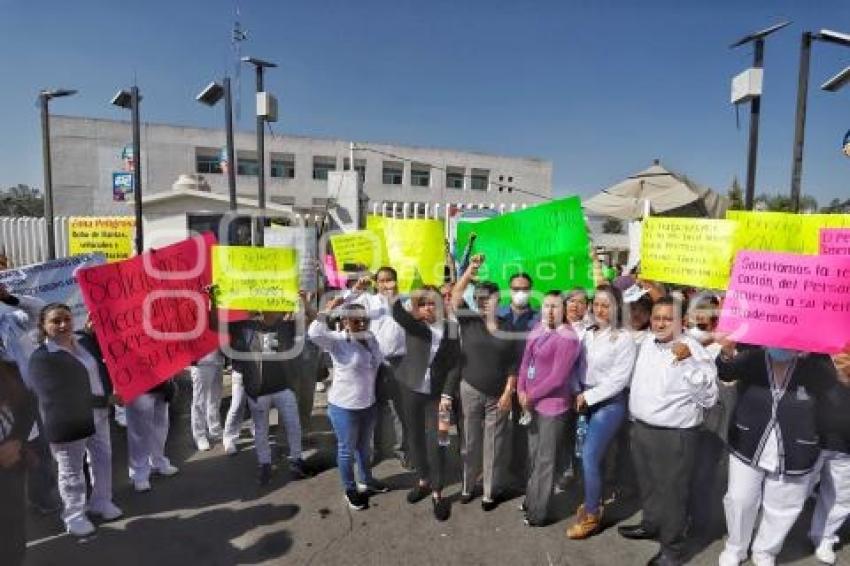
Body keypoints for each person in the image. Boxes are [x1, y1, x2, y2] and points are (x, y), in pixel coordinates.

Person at [715, 344, 836, 566]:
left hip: (796, 444)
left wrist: (810, 357)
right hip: (749, 438)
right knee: (739, 499)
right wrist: (726, 353)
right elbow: (726, 371)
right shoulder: (753, 352)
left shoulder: (817, 359)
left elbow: (830, 388)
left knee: (783, 505)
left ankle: (766, 551)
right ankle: (736, 547)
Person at [619, 296, 718, 566]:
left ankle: (672, 550)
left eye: (667, 318)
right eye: (657, 317)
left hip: (674, 436)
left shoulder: (694, 349)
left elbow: (709, 398)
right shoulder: (649, 344)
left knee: (672, 494)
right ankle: (652, 524)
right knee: (648, 484)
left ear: (681, 322)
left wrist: (688, 362)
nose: (660, 323)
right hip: (642, 429)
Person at [28, 303, 122, 537]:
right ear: (43, 326)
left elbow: (104, 358)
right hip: (68, 422)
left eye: (67, 319)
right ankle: (74, 515)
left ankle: (101, 501)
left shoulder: (82, 343)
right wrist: (106, 401)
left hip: (98, 417)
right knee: (71, 471)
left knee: (103, 458)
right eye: (56, 321)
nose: (63, 325)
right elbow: (59, 395)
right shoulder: (41, 358)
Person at [451, 256, 520, 511]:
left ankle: (490, 491)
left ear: (497, 301)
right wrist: (470, 270)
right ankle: (468, 486)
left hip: (498, 395)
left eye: (487, 299)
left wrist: (508, 392)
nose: (482, 302)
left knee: (495, 443)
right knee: (470, 440)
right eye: (478, 298)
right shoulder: (469, 320)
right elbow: (455, 297)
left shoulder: (509, 327)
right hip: (470, 388)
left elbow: (514, 364)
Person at [567, 285, 636, 539]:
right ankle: (591, 499)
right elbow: (576, 365)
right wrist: (576, 390)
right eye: (596, 304)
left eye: (606, 305)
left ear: (617, 308)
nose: (600, 309)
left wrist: (588, 396)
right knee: (583, 455)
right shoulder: (587, 332)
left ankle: (593, 514)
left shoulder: (624, 338)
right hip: (584, 399)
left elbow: (619, 380)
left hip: (609, 403)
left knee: (589, 456)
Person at [308, 299, 388, 510]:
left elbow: (380, 360)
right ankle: (350, 489)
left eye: (365, 321)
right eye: (355, 321)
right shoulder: (336, 340)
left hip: (368, 403)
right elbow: (314, 333)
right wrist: (327, 310)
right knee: (346, 450)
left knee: (364, 447)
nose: (361, 325)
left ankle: (366, 480)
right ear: (344, 321)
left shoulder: (370, 338)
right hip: (344, 407)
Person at [392, 286, 460, 521]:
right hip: (410, 389)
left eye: (433, 303)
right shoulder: (415, 324)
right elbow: (397, 312)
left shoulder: (451, 328)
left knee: (439, 439)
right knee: (414, 438)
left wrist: (448, 395)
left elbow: (454, 365)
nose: (429, 307)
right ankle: (423, 480)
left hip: (439, 396)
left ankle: (438, 491)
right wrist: (399, 294)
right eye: (423, 303)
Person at [517, 290, 581, 527]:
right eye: (546, 306)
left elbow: (558, 378)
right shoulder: (538, 329)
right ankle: (531, 499)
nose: (550, 311)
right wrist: (521, 391)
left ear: (563, 310)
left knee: (546, 461)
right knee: (534, 457)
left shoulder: (568, 338)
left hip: (552, 407)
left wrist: (530, 395)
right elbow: (525, 363)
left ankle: (538, 513)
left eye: (555, 306)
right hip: (531, 403)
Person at [225, 310, 308, 485]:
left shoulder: (286, 327)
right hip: (258, 388)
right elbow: (215, 324)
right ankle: (265, 464)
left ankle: (296, 459)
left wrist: (303, 302)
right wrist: (215, 299)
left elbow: (309, 321)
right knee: (261, 429)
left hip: (284, 387)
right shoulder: (246, 327)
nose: (279, 311)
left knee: (293, 425)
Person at [0, 285, 59, 514]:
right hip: (4, 404)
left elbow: (40, 310)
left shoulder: (12, 320)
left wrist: (10, 298)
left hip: (26, 398)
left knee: (38, 447)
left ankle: (41, 497)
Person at [344, 267, 409, 468]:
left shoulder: (405, 301)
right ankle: (374, 450)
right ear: (376, 283)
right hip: (373, 363)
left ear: (396, 281)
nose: (385, 284)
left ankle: (402, 450)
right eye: (381, 281)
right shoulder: (368, 300)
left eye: (389, 280)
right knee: (372, 407)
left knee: (400, 409)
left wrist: (395, 299)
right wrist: (356, 289)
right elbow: (345, 306)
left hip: (399, 362)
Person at [810, 348, 850, 564]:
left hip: (846, 446)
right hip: (814, 439)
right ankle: (769, 540)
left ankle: (824, 537)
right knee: (793, 492)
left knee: (840, 495)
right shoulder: (818, 356)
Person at [0, 358, 35, 565]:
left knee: (12, 526)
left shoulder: (10, 369)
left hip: (10, 466)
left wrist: (17, 440)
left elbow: (29, 403)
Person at [190, 349, 224, 451]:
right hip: (201, 361)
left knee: (215, 398)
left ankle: (215, 429)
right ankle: (199, 435)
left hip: (218, 358)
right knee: (200, 401)